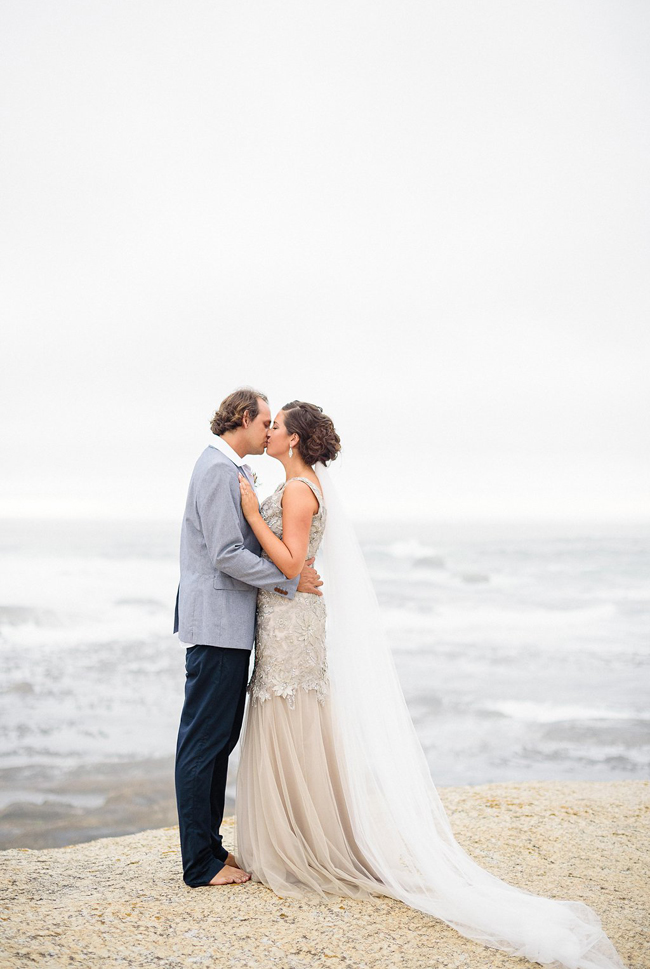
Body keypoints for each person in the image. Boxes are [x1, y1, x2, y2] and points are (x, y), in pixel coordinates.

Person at [234, 400, 626, 969]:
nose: (268, 433)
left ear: (294, 441)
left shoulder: (297, 491)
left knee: (287, 711)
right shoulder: (303, 483)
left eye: (276, 427)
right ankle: (301, 834)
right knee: (291, 714)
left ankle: (303, 845)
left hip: (291, 621)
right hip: (289, 616)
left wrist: (250, 515)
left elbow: (293, 565)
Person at [173, 388, 323, 888]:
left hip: (230, 626)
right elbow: (225, 553)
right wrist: (287, 579)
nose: (267, 431)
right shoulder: (218, 469)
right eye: (264, 422)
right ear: (243, 418)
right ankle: (200, 864)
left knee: (218, 741)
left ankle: (211, 848)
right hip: (216, 624)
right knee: (203, 743)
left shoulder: (230, 468)